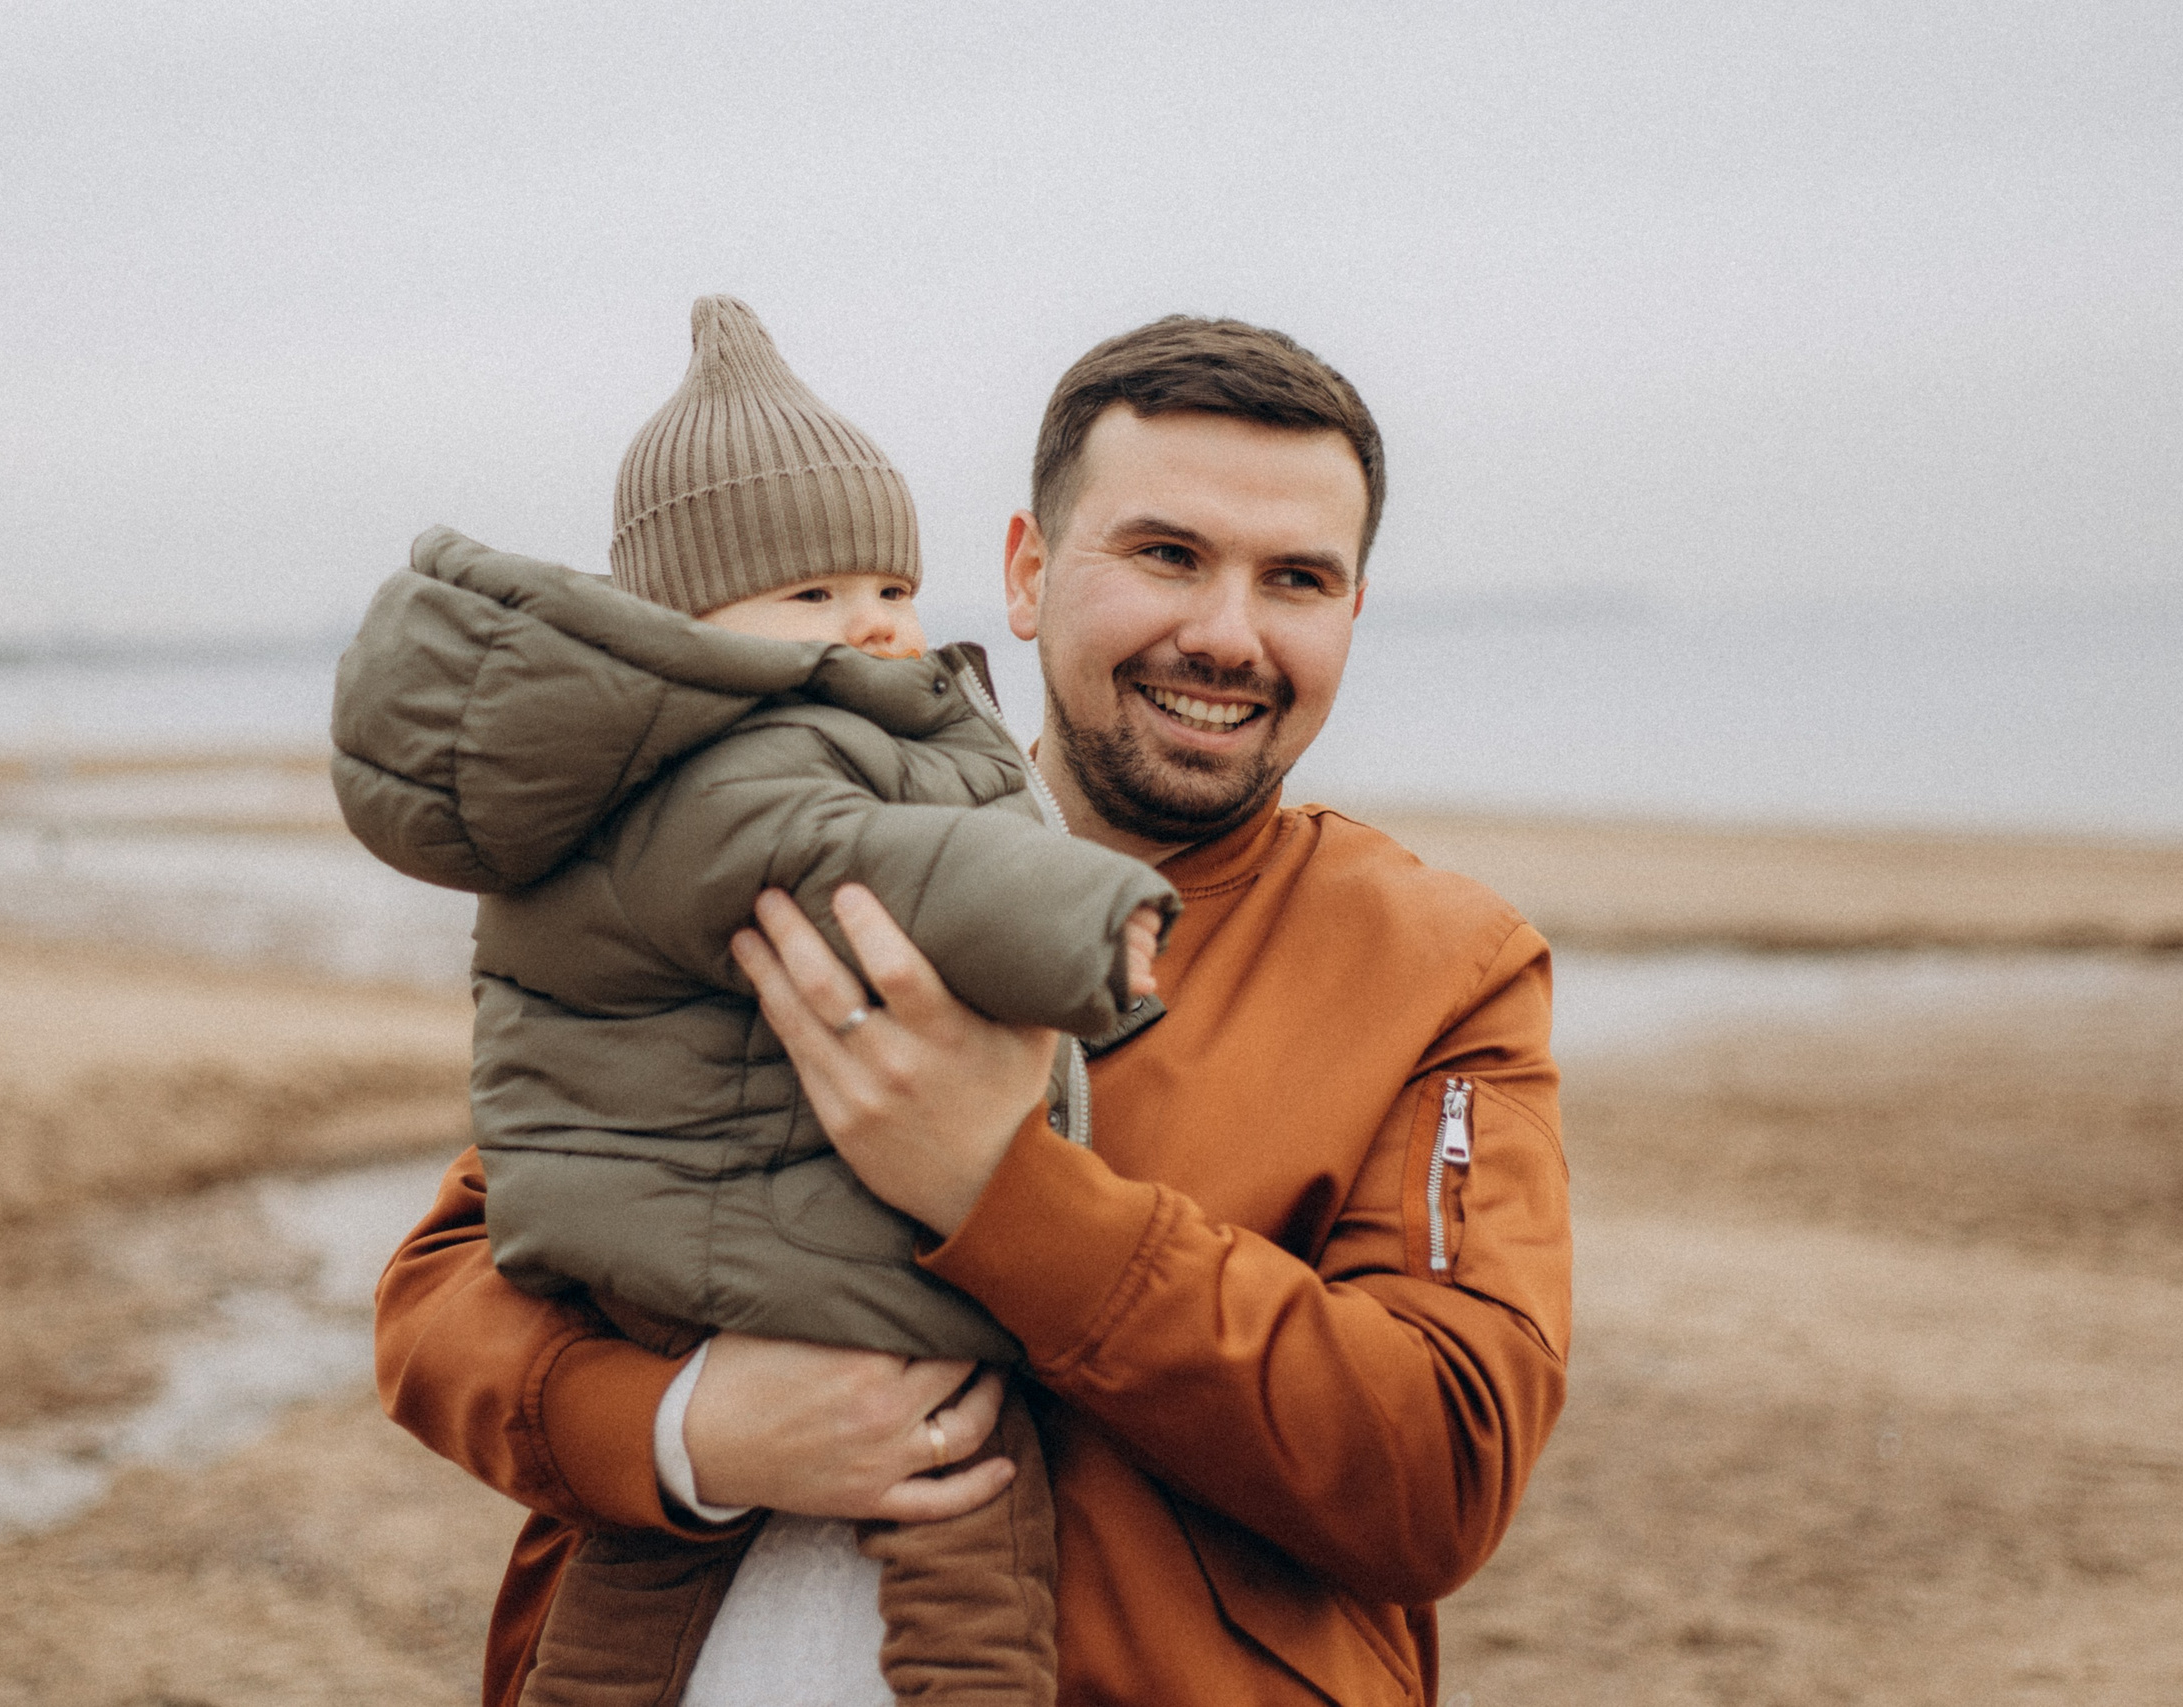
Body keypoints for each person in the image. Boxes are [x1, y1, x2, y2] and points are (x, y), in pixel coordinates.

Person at [373, 313, 1572, 1707]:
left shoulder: (1442, 966)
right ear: (1027, 570)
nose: (1226, 633)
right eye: (1168, 554)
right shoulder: (773, 830)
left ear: (1351, 613)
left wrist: (1003, 1194)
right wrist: (689, 1428)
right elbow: (452, 1285)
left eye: (1296, 579)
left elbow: (1439, 1469)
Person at [333, 297, 1175, 1707]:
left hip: (679, 1242)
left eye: (892, 590)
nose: (872, 623)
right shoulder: (753, 772)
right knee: (972, 1506)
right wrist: (1089, 930)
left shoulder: (706, 761)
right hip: (781, 1248)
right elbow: (882, 870)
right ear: (683, 626)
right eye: (812, 598)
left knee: (633, 1580)